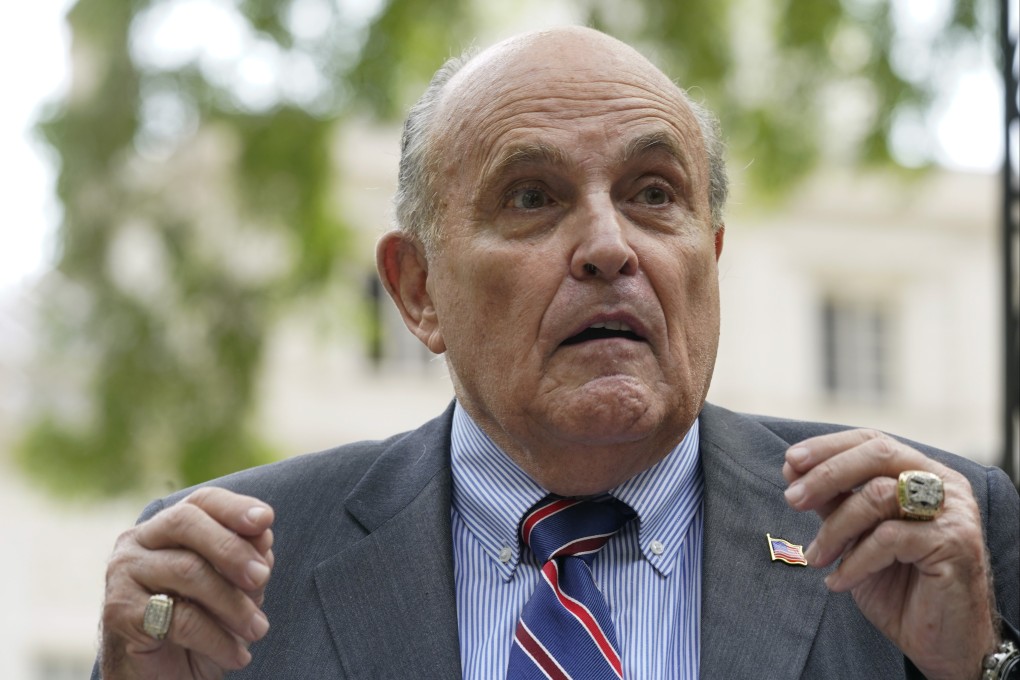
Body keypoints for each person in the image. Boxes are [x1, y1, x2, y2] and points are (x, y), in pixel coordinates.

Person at [93, 26, 1019, 680]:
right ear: (418, 291)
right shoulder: (235, 577)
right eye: (532, 198)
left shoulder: (932, 541)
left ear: (713, 258)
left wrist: (978, 668)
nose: (610, 246)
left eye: (655, 193)